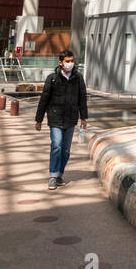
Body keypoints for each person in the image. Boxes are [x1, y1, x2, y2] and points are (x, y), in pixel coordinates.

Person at [34, 50, 87, 190]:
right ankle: (52, 175)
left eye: (71, 61)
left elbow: (83, 98)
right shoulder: (52, 78)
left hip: (71, 118)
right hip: (55, 117)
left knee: (66, 150)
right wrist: (38, 120)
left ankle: (59, 175)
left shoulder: (78, 78)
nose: (70, 63)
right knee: (57, 145)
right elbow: (44, 99)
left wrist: (84, 117)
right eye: (67, 61)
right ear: (60, 63)